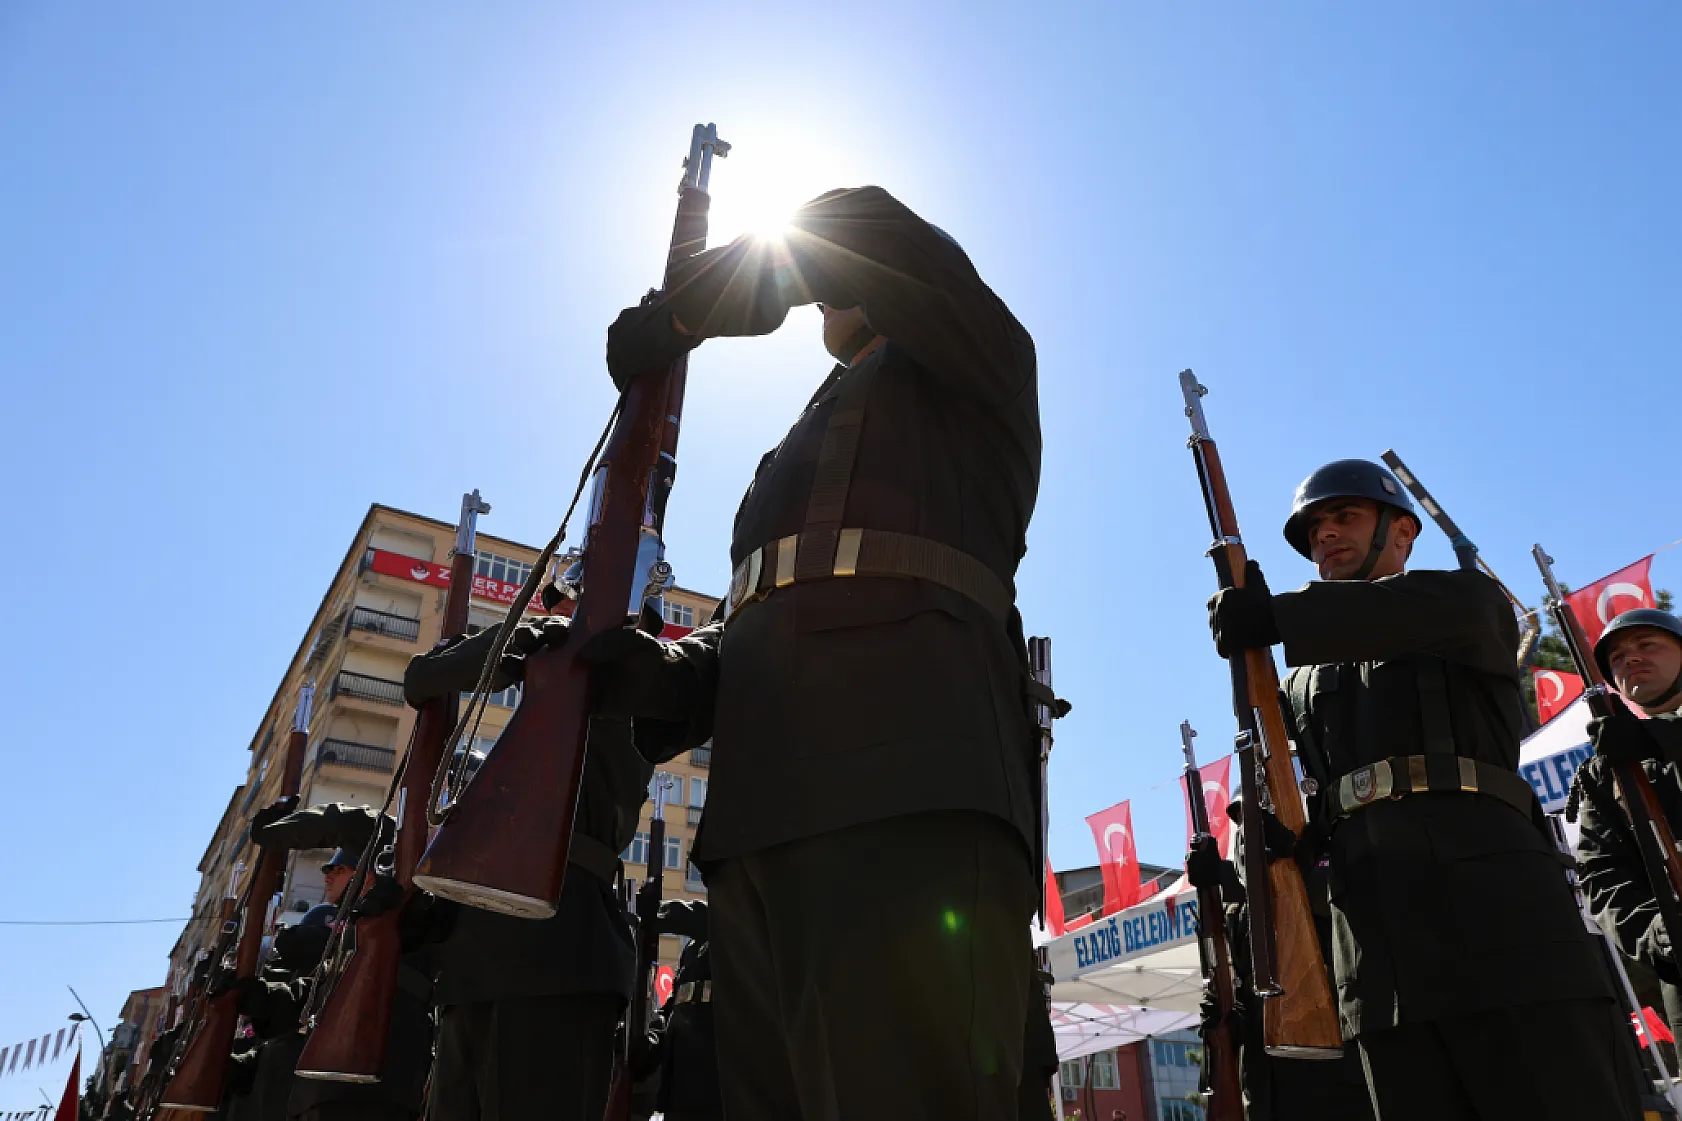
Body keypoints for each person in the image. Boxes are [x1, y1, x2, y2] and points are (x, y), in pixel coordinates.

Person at [555, 183, 1043, 1121]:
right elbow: (756, 618)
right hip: (759, 822)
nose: (824, 297)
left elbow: (862, 221)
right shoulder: (789, 451)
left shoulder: (976, 358)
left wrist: (686, 309)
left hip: (904, 792)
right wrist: (664, 673)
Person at [1206, 459, 1634, 1120]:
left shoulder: (1466, 603)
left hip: (1501, 916)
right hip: (1376, 949)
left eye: (1344, 516)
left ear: (1402, 530)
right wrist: (1284, 844)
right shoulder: (1297, 681)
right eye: (1314, 529)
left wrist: (1280, 616)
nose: (1325, 535)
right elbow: (1299, 787)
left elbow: (1388, 615)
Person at [401, 629, 653, 1121]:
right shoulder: (521, 742)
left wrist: (551, 641)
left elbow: (610, 669)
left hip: (558, 962)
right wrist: (512, 642)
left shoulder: (628, 685)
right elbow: (422, 679)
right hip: (471, 971)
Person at [1186, 806, 1373, 1121]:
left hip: (1333, 1086)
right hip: (1266, 1089)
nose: (1248, 845)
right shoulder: (1238, 915)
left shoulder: (1326, 881)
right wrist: (1222, 1016)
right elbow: (1247, 1000)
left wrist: (1298, 864)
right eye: (1243, 836)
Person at [251, 805, 431, 1121]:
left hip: (373, 1087)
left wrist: (282, 831)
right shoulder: (353, 930)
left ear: (372, 872)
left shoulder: (405, 910)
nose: (328, 875)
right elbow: (320, 990)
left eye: (340, 868)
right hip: (322, 1087)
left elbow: (352, 823)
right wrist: (255, 996)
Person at [1573, 609, 1682, 1040]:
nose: (1630, 658)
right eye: (1616, 657)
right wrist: (1659, 932)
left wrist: (1658, 738)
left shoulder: (1640, 745)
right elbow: (1602, 877)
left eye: (1646, 644)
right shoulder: (1608, 773)